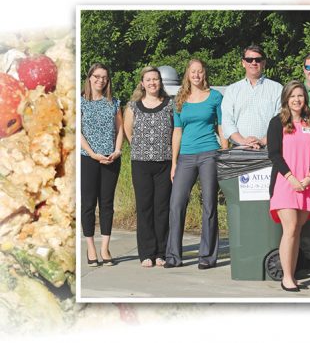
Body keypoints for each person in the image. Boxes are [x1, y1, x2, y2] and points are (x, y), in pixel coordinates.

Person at [164, 59, 228, 270]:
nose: (197, 75)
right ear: (187, 74)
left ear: (204, 74)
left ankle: (207, 256)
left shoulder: (215, 97)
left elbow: (221, 126)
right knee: (176, 204)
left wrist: (225, 153)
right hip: (186, 156)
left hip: (209, 153)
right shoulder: (180, 99)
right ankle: (173, 255)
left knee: (209, 203)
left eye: (200, 72)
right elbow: (177, 131)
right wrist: (174, 162)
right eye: (193, 72)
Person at [267, 80, 310, 292]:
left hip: (306, 183)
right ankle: (287, 277)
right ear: (286, 100)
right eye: (292, 96)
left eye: (300, 95)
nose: (297, 100)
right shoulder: (277, 122)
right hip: (285, 182)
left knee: (297, 230)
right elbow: (273, 154)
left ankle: (292, 273)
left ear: (305, 98)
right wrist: (291, 178)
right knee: (289, 229)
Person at [123, 66, 173, 268]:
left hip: (165, 163)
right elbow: (128, 132)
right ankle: (146, 253)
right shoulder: (133, 106)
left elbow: (176, 129)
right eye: (149, 79)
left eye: (156, 79)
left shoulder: (170, 105)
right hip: (141, 163)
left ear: (160, 82)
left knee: (162, 208)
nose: (153, 83)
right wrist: (142, 148)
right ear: (142, 83)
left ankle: (161, 252)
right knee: (144, 208)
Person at [80, 63, 123, 267]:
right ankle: (90, 246)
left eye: (104, 77)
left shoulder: (113, 102)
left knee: (106, 203)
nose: (100, 80)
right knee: (88, 204)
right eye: (97, 76)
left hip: (111, 158)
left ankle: (105, 247)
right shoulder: (79, 102)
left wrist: (117, 150)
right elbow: (77, 132)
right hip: (88, 158)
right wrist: (92, 154)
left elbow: (120, 128)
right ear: (89, 78)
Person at [222, 44, 282, 148]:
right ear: (243, 63)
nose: (253, 62)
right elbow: (227, 121)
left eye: (257, 60)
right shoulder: (232, 90)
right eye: (249, 60)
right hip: (239, 148)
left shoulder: (277, 89)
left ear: (263, 63)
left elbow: (281, 119)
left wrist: (263, 141)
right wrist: (243, 141)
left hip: (269, 149)